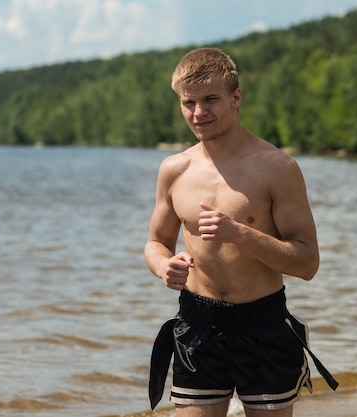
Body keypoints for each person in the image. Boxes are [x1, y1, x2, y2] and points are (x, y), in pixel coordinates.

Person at [144, 48, 337, 417]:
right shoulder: (174, 169)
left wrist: (242, 235)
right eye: (189, 102)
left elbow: (307, 263)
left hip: (263, 324)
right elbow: (156, 243)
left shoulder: (278, 168)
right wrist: (163, 266)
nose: (199, 112)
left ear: (236, 97)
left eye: (210, 99)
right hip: (197, 324)